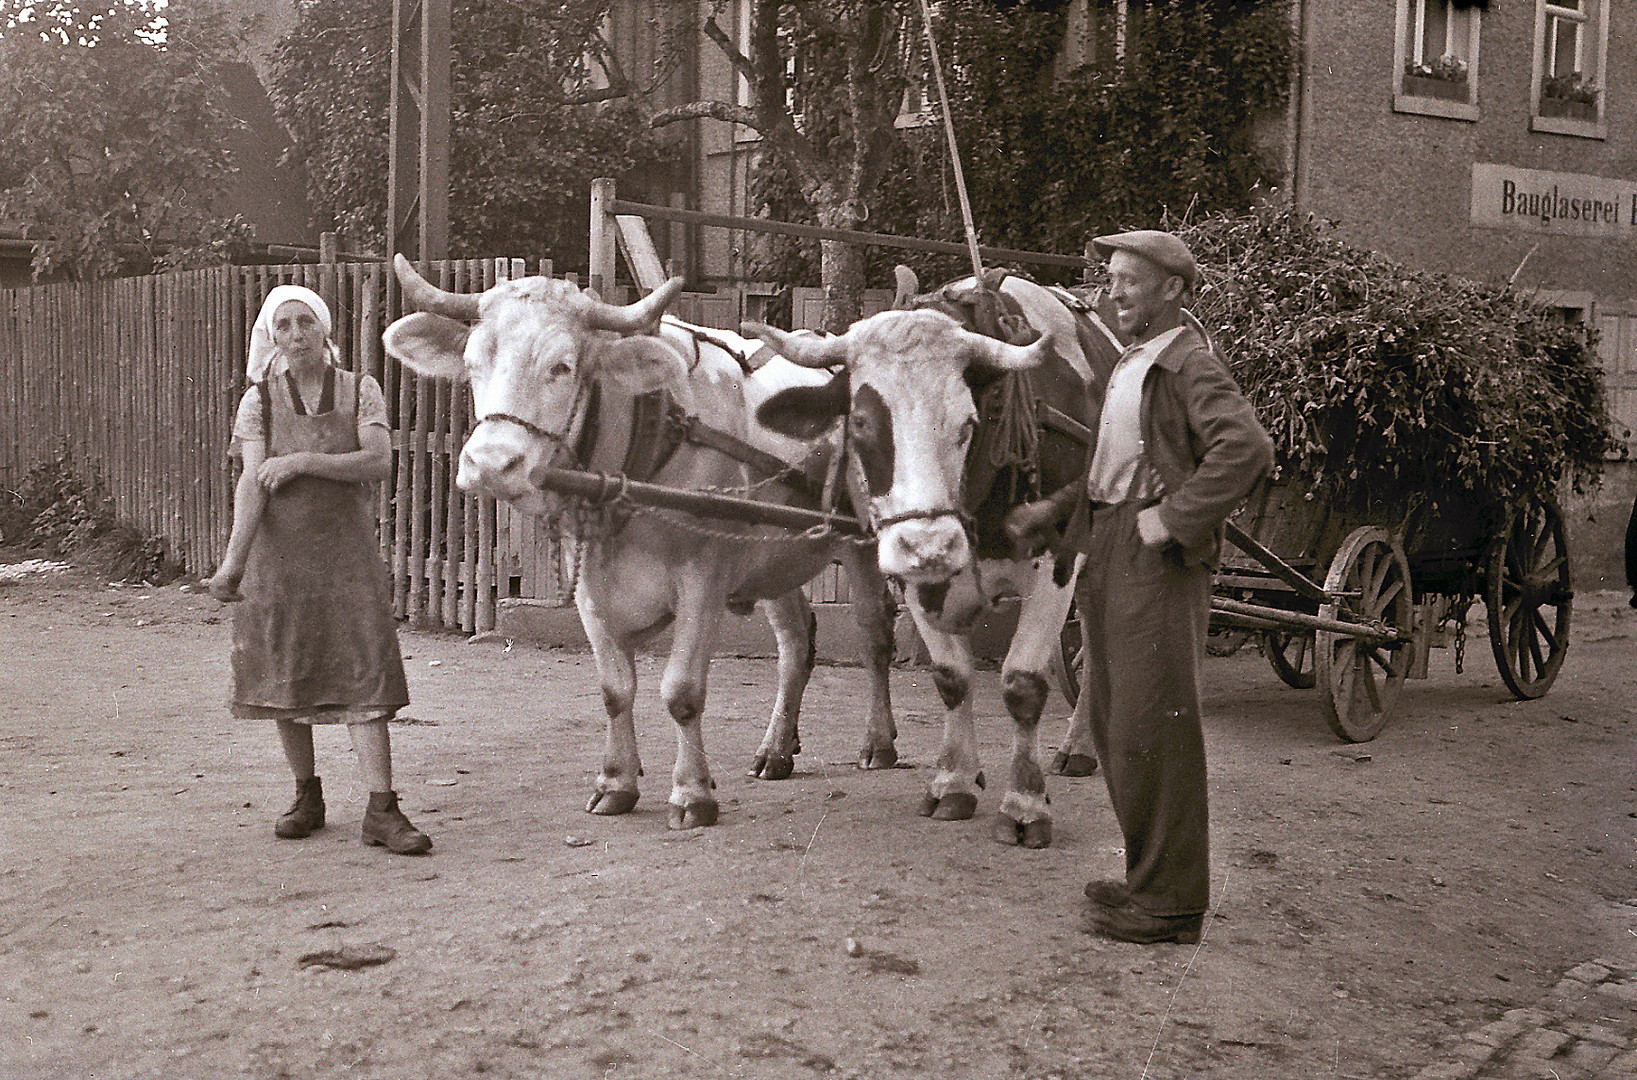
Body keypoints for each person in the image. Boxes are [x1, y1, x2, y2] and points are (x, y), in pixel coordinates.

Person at [1018, 230, 1272, 944]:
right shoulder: (1133, 360)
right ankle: (1147, 880)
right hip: (1109, 547)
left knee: (1156, 727)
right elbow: (1112, 465)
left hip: (1151, 560)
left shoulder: (1187, 363)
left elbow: (1246, 448)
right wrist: (1052, 512)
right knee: (1118, 726)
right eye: (1109, 278)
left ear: (1172, 290)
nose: (1113, 292)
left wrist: (1174, 518)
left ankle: (1168, 904)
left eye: (1130, 280)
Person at [207, 284, 431, 856]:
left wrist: (305, 461)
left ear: (325, 329)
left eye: (306, 322)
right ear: (271, 337)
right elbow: (252, 485)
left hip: (345, 558)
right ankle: (307, 796)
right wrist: (233, 565)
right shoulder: (257, 400)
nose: (296, 334)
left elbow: (378, 461)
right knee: (287, 672)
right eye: (283, 326)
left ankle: (382, 809)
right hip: (278, 561)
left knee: (366, 673)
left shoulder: (361, 389)